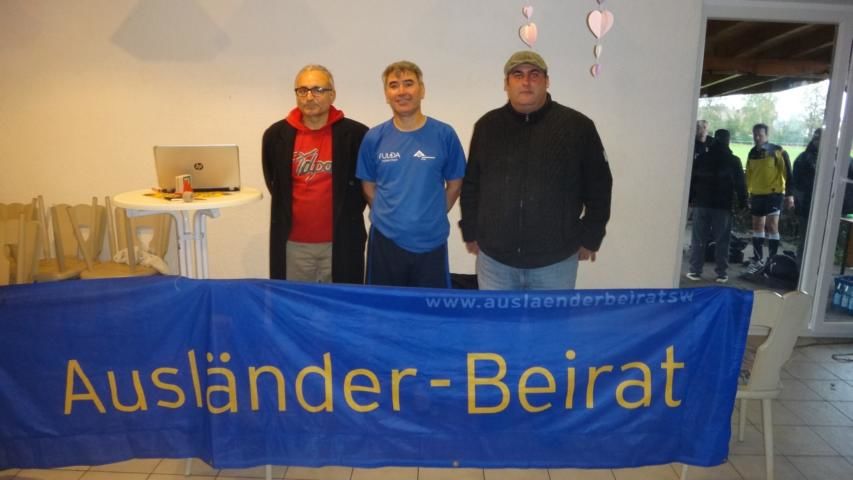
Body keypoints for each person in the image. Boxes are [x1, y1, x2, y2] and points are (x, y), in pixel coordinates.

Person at [459, 51, 612, 290]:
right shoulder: (487, 126)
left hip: (556, 263)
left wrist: (592, 236)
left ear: (547, 81)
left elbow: (599, 186)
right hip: (495, 263)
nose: (526, 82)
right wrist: (470, 230)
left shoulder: (578, 126)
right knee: (497, 317)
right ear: (507, 84)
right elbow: (472, 184)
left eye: (534, 74)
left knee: (551, 318)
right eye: (518, 75)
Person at [356, 61, 466, 288]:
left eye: (408, 83)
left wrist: (431, 214)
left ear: (422, 90)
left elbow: (455, 184)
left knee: (430, 307)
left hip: (431, 240)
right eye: (393, 85)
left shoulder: (444, 134)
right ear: (386, 94)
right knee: (385, 305)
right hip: (385, 240)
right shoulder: (374, 137)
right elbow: (368, 186)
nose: (401, 91)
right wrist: (391, 215)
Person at [262, 64, 369, 283]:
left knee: (341, 302)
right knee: (295, 302)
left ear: (332, 95)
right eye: (303, 90)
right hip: (294, 246)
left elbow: (364, 187)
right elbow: (275, 183)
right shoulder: (276, 135)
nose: (309, 97)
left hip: (341, 242)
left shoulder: (357, 135)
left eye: (318, 90)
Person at [686, 129, 747, 283]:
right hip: (723, 205)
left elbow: (692, 180)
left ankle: (695, 271)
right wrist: (743, 202)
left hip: (702, 203)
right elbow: (741, 184)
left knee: (699, 239)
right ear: (728, 141)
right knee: (722, 240)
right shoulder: (734, 160)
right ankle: (722, 273)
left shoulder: (702, 158)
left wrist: (690, 199)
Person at [745, 123, 794, 268]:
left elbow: (788, 173)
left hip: (774, 195)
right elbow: (748, 174)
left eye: (760, 135)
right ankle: (758, 259)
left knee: (772, 226)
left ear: (766, 135)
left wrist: (789, 195)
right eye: (755, 135)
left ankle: (772, 261)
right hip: (756, 195)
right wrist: (748, 193)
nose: (757, 138)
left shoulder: (778, 151)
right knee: (757, 226)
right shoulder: (752, 152)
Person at [791, 128, 821, 263]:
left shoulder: (835, 158)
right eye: (817, 139)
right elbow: (795, 184)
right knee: (806, 240)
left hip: (819, 207)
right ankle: (801, 270)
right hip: (807, 206)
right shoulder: (803, 159)